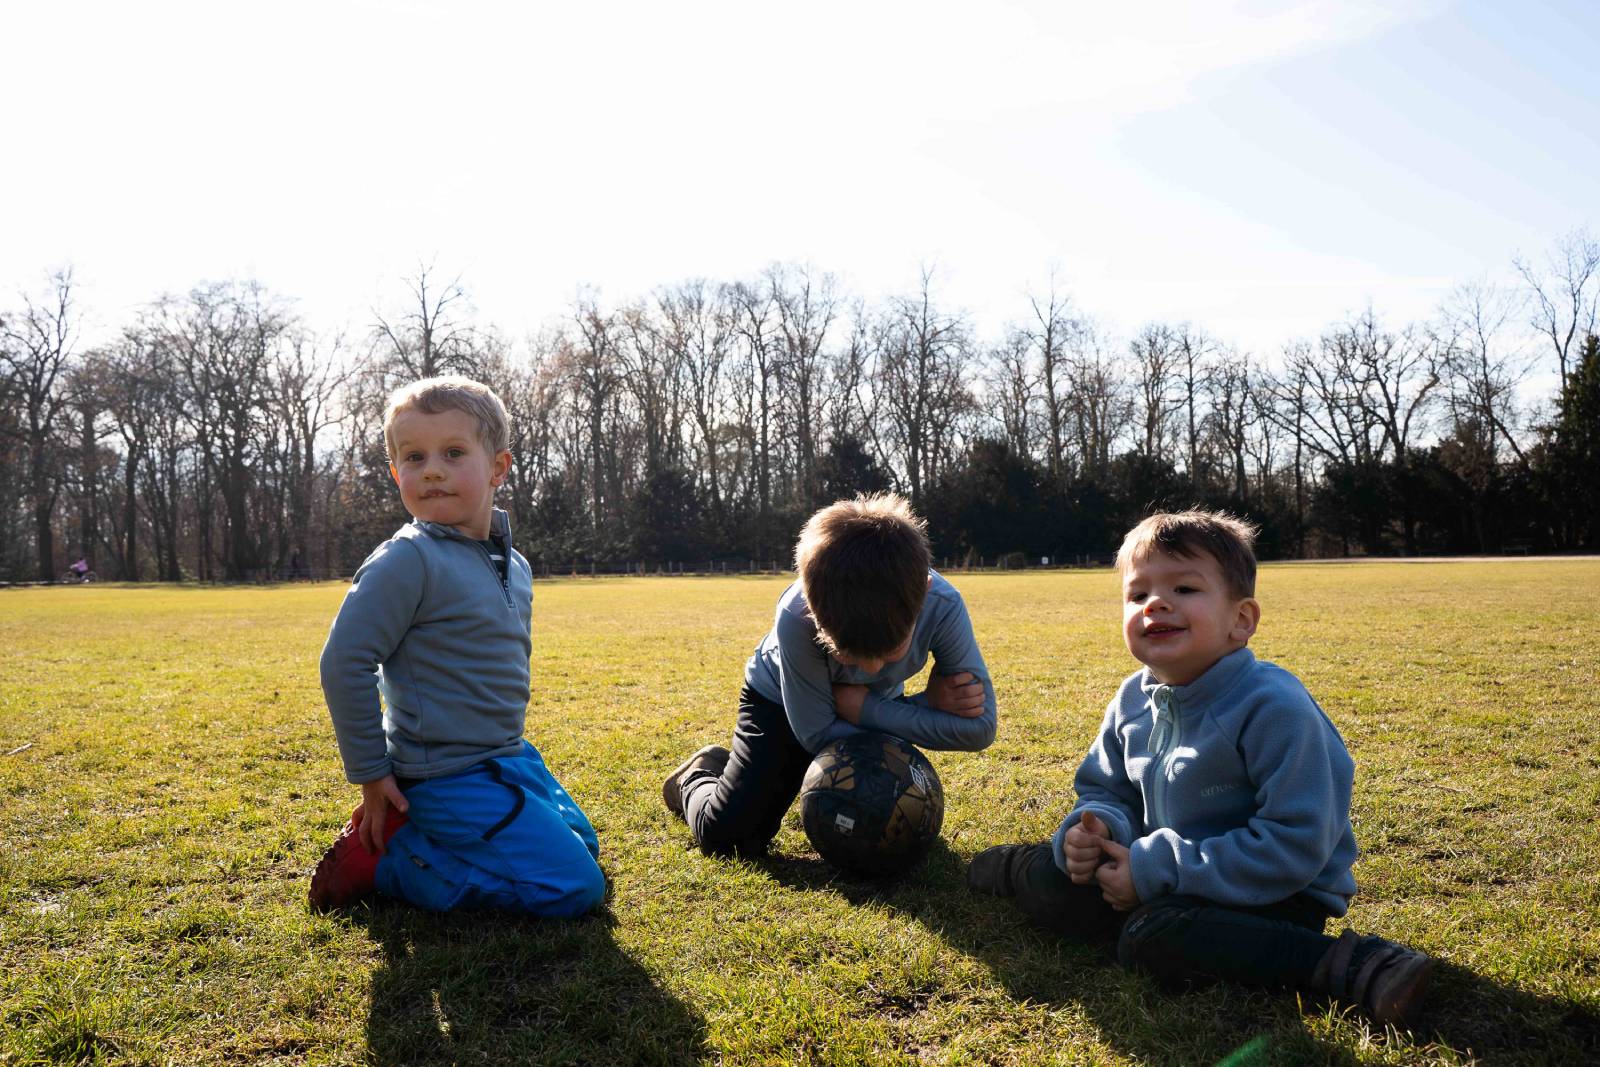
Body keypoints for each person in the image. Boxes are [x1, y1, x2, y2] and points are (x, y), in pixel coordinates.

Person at [967, 510, 1434, 1027]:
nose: (1157, 604)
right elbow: (1107, 790)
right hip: (1157, 872)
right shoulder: (1131, 698)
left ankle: (1353, 964)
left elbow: (1294, 845)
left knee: (1153, 939)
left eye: (1185, 588)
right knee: (1062, 886)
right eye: (1137, 594)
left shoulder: (1274, 709)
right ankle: (1020, 867)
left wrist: (1155, 871)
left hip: (1274, 893)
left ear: (1242, 620)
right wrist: (1094, 830)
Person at [308, 376, 605, 916]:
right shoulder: (407, 559)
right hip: (443, 774)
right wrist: (372, 775)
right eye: (414, 457)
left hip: (509, 757)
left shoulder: (512, 564)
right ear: (396, 473)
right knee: (573, 888)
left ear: (497, 467)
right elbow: (345, 663)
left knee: (587, 849)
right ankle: (392, 859)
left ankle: (435, 837)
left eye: (452, 452)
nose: (433, 469)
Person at [662, 492, 998, 859]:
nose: (868, 671)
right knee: (731, 837)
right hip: (781, 703)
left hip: (868, 711)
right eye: (846, 653)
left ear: (924, 592)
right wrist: (916, 710)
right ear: (812, 606)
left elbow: (980, 727)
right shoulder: (795, 615)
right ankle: (697, 775)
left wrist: (871, 708)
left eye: (890, 653)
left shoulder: (943, 604)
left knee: (884, 820)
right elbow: (816, 732)